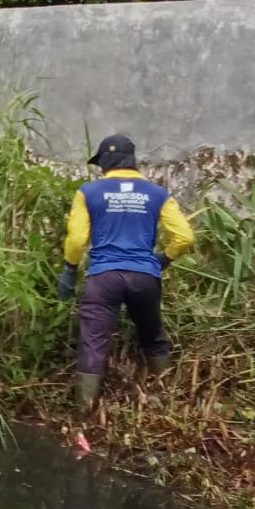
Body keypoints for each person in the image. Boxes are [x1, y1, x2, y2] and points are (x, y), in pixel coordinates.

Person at [59, 134, 195, 411]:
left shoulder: (89, 192)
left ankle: (84, 414)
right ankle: (167, 402)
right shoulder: (157, 194)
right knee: (153, 335)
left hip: (104, 277)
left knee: (93, 344)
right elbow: (184, 237)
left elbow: (76, 240)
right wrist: (163, 260)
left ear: (107, 161)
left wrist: (70, 270)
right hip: (145, 277)